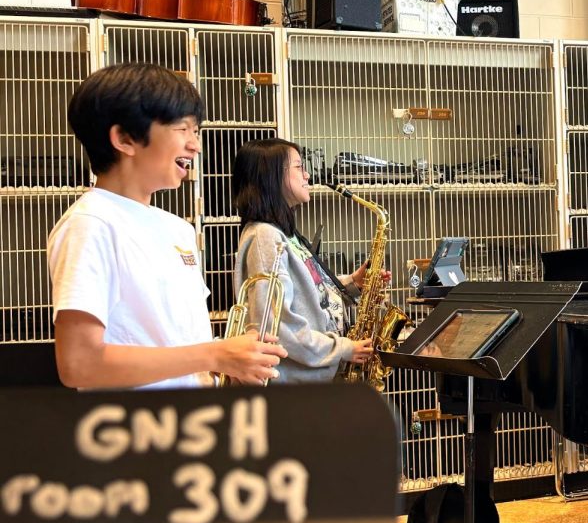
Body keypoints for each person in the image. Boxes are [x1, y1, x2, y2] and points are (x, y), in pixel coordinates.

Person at [48, 63, 286, 390]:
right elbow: (79, 363)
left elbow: (178, 341)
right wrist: (213, 354)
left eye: (196, 131)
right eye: (182, 129)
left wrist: (234, 358)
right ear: (125, 138)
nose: (196, 145)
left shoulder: (178, 229)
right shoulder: (91, 224)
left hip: (193, 425)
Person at [231, 138, 383, 383]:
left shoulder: (284, 234)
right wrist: (342, 348)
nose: (308, 174)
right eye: (298, 167)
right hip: (293, 391)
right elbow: (278, 327)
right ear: (271, 176)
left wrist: (352, 282)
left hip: (314, 383)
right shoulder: (264, 236)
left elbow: (305, 292)